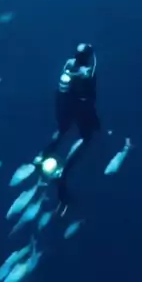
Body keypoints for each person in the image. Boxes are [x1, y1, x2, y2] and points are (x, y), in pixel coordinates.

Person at [34, 43, 100, 213]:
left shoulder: (69, 64)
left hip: (65, 105)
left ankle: (42, 155)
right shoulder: (87, 71)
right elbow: (89, 91)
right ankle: (65, 169)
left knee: (62, 130)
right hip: (81, 107)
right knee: (85, 138)